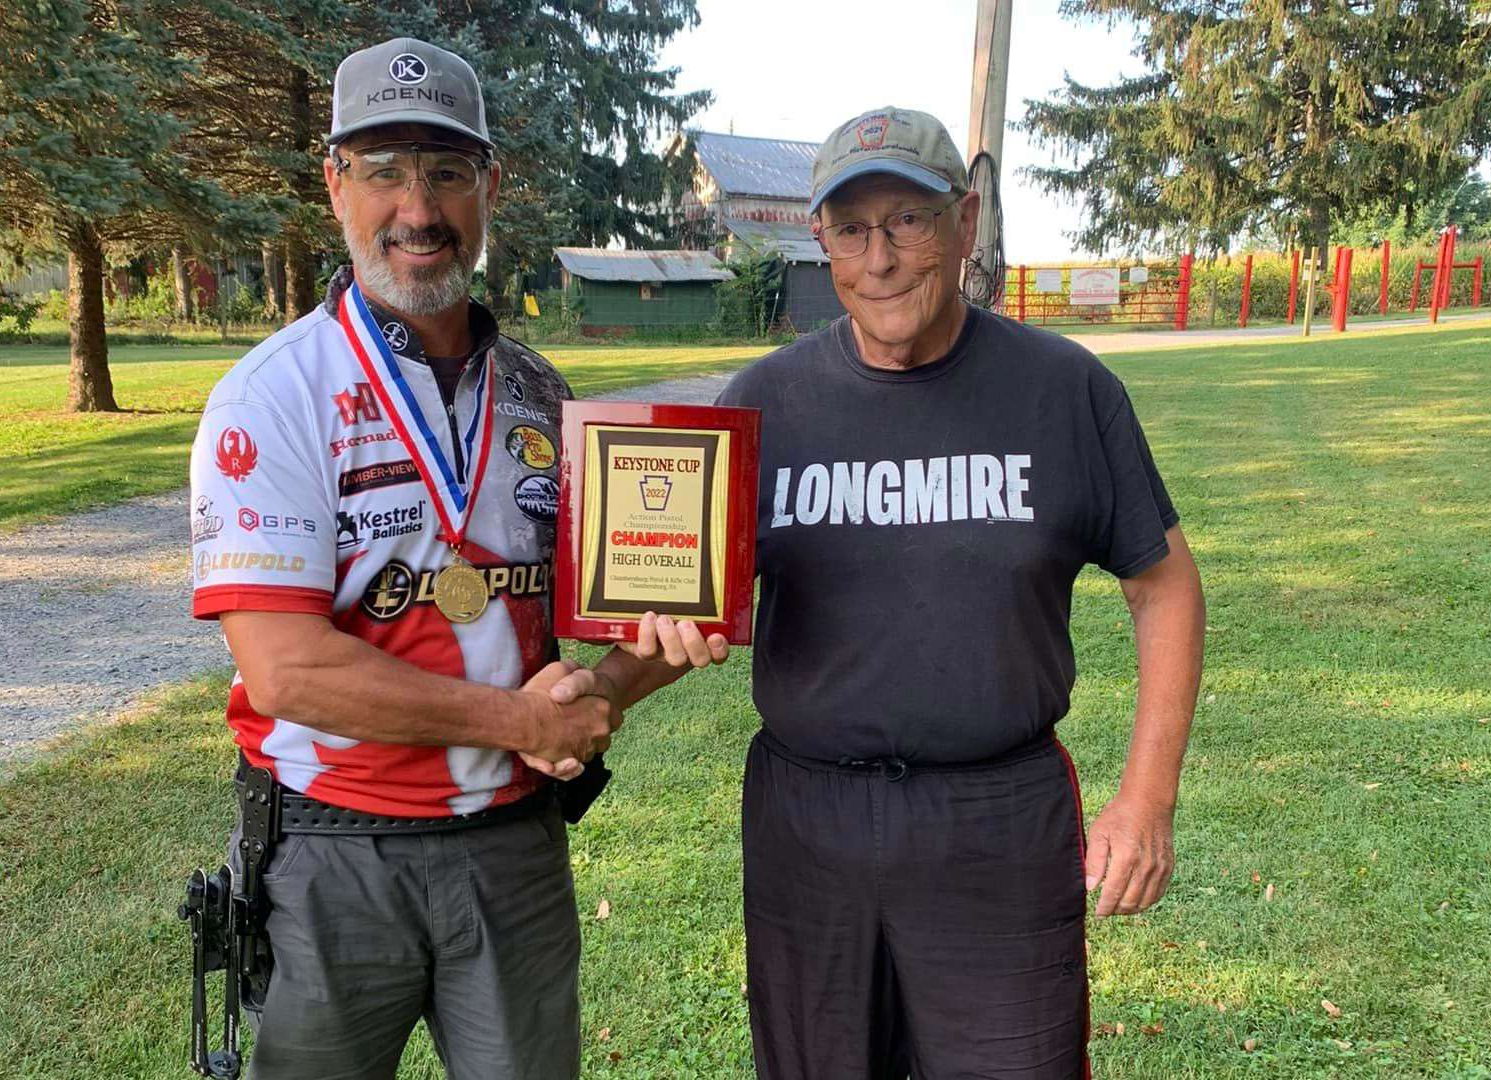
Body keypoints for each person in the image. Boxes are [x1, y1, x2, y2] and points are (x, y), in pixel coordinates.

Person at [187, 37, 724, 1079]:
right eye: (385, 171)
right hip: (335, 851)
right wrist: (524, 719)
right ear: (335, 182)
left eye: (444, 172)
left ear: (488, 185)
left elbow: (643, 604)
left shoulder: (540, 394)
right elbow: (284, 669)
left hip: (512, 847)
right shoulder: (272, 395)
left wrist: (628, 667)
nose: (418, 210)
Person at [709, 107, 1207, 1078]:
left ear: (966, 224)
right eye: (852, 228)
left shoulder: (1063, 390)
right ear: (820, 241)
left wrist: (1146, 800)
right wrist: (601, 692)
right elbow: (685, 598)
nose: (881, 257)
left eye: (910, 220)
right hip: (807, 823)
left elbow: (1164, 586)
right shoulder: (765, 403)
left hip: (997, 823)